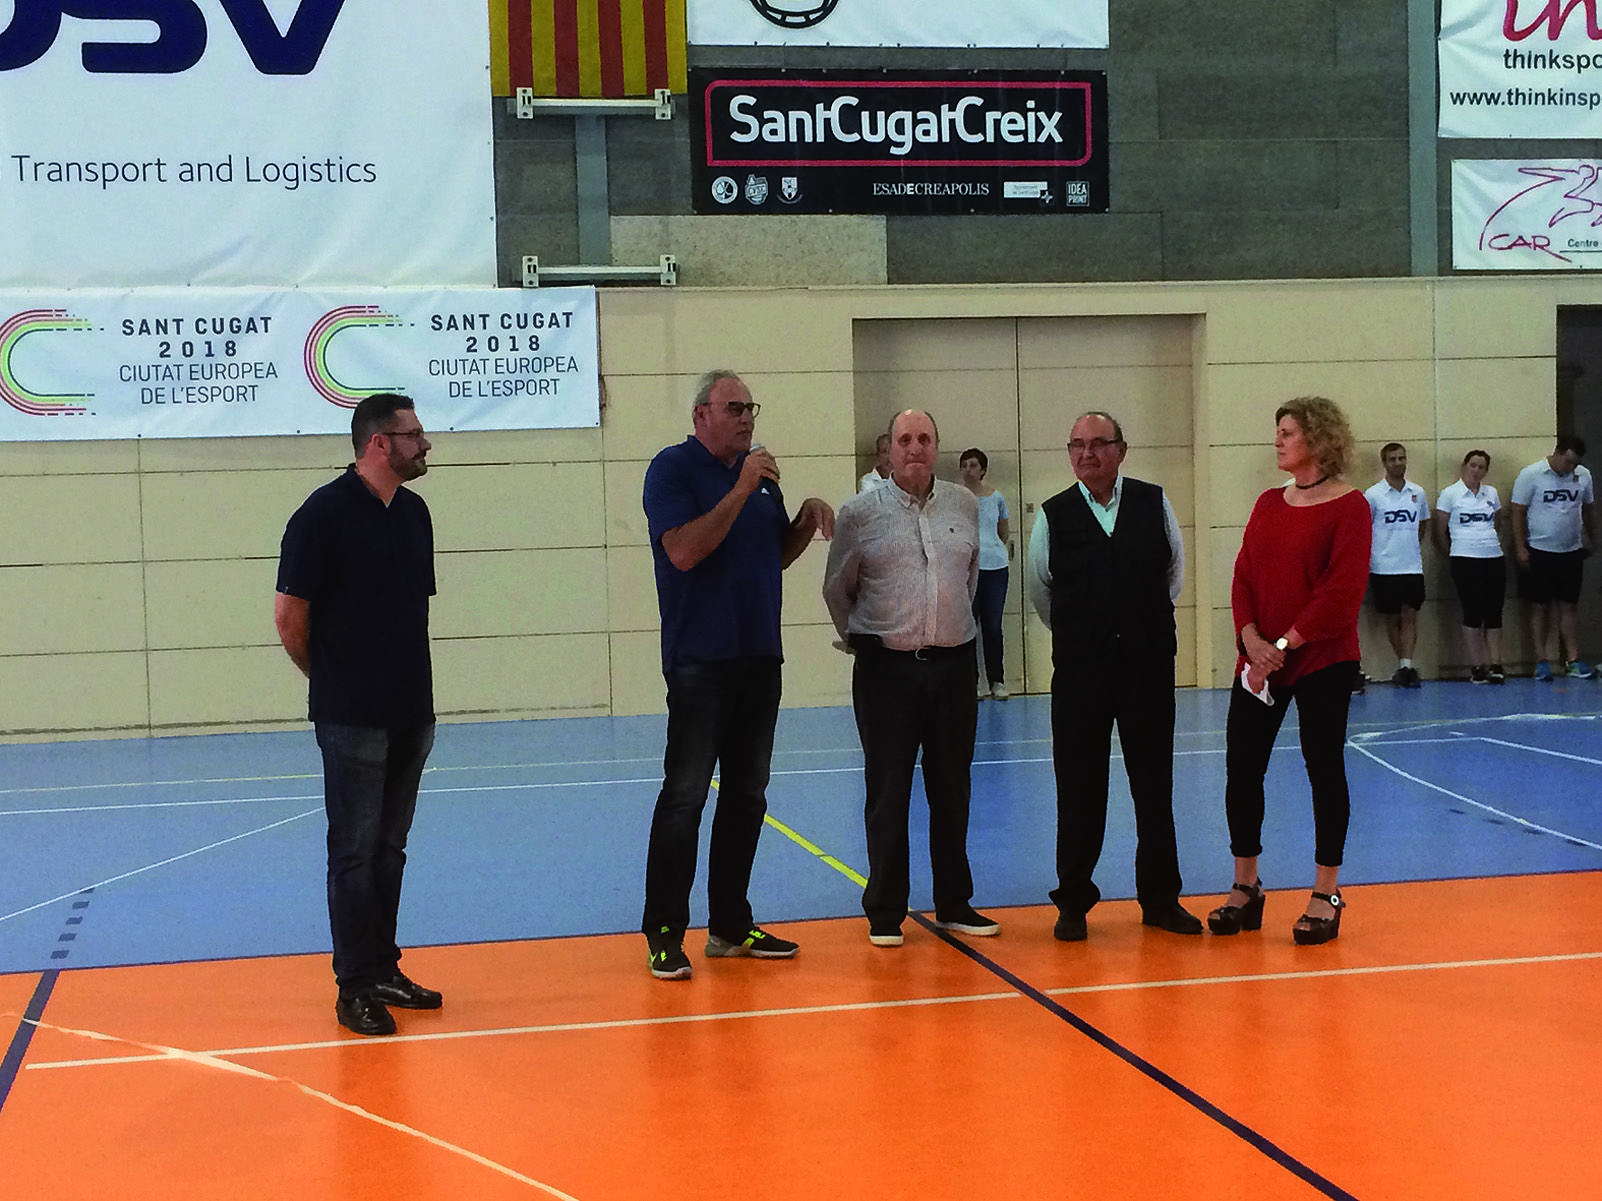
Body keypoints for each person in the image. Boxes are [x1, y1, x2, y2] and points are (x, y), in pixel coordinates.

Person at [641, 369, 834, 980]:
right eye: (734, 406)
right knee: (685, 797)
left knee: (748, 797)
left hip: (759, 657)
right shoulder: (672, 470)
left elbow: (770, 556)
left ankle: (729, 924)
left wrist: (802, 518)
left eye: (751, 406)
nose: (747, 416)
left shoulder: (763, 479)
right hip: (700, 661)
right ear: (702, 415)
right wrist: (743, 485)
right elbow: (685, 551)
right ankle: (665, 934)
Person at [274, 392, 444, 1037]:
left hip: (411, 711)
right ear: (379, 443)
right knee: (353, 851)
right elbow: (291, 618)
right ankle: (353, 987)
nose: (425, 444)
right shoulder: (322, 515)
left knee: (390, 849)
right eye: (414, 434)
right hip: (351, 718)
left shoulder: (415, 514)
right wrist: (337, 682)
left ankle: (382, 967)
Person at [823, 410, 999, 947]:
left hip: (951, 666)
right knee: (888, 789)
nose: (915, 448)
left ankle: (954, 902)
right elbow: (837, 589)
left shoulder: (964, 505)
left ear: (936, 446)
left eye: (925, 438)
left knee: (953, 788)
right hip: (885, 670)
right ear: (889, 452)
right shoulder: (859, 512)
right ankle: (884, 909)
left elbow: (968, 579)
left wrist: (942, 628)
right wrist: (868, 638)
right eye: (905, 440)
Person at [1026, 411, 1201, 942]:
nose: (1087, 454)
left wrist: (1133, 623)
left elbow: (1174, 575)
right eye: (1077, 445)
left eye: (1098, 444)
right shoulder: (1052, 514)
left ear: (1121, 450)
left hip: (1147, 667)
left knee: (1154, 786)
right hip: (1081, 673)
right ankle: (1073, 902)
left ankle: (1161, 899)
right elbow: (1042, 591)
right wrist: (1092, 631)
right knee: (1078, 787)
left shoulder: (1154, 502)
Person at [1209, 397, 1370, 947]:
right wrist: (1252, 640)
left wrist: (1284, 643)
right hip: (1260, 661)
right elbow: (1244, 577)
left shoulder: (1350, 507)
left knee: (1322, 766)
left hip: (1322, 658)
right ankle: (1245, 886)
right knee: (1242, 767)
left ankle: (1326, 892)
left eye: (1287, 433)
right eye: (1277, 432)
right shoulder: (1266, 503)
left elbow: (1341, 592)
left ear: (1318, 440)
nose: (1277, 442)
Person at [1510, 436, 1598, 680]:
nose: (1570, 468)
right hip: (1539, 550)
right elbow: (1517, 511)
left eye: (1575, 464)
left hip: (1571, 550)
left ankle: (1573, 659)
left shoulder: (1583, 476)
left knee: (1569, 606)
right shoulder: (1531, 474)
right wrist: (1520, 547)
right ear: (1557, 453)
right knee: (1540, 607)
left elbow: (1589, 509)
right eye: (1568, 462)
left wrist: (1593, 538)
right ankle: (1541, 660)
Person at [1433, 449, 1507, 684]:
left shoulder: (1491, 493)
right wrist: (1454, 554)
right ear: (1464, 466)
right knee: (1473, 612)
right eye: (1473, 465)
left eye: (1481, 467)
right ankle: (1477, 665)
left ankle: (1495, 663)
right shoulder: (1450, 494)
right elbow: (1439, 531)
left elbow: (1498, 521)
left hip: (1493, 557)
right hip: (1464, 558)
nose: (1476, 471)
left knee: (1494, 613)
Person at [1362, 443, 1430, 688]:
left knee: (1410, 614)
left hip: (1411, 566)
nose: (1398, 463)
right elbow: (1364, 529)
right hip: (1384, 567)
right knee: (1392, 617)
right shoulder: (1373, 495)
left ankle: (1406, 666)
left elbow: (1422, 525)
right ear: (1385, 463)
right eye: (1393, 459)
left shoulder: (1417, 492)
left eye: (1402, 458)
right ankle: (1400, 663)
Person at [959, 447, 1011, 700]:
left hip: (995, 568)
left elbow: (1003, 532)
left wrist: (992, 550)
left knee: (992, 625)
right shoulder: (956, 497)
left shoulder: (996, 497)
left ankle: (997, 681)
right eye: (964, 465)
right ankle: (971, 681)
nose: (968, 470)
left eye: (973, 465)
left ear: (982, 470)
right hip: (966, 570)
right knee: (968, 625)